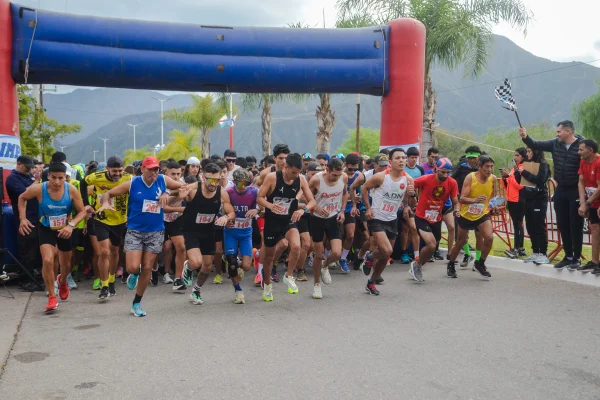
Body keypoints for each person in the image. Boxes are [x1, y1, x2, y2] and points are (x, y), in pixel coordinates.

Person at [97, 156, 189, 317]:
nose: (153, 172)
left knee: (147, 267)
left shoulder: (162, 180)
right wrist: (105, 203)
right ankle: (133, 273)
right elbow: (108, 193)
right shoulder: (133, 183)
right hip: (135, 231)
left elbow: (185, 187)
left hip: (155, 232)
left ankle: (136, 303)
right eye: (150, 169)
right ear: (142, 169)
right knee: (133, 267)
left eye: (156, 169)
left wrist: (167, 192)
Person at [18, 162, 87, 312]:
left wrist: (71, 225)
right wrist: (23, 219)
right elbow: (22, 198)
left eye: (60, 178)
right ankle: (51, 296)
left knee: (66, 265)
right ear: (48, 176)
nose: (56, 182)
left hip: (65, 230)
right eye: (53, 177)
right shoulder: (39, 189)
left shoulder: (72, 190)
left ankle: (62, 282)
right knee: (48, 260)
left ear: (66, 178)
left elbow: (82, 212)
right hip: (46, 228)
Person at [520, 122, 583, 270]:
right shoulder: (555, 144)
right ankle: (568, 256)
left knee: (575, 225)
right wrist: (525, 136)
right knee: (562, 224)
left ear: (568, 131)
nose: (557, 134)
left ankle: (577, 258)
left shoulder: (581, 144)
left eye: (559, 131)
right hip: (560, 190)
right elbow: (536, 143)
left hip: (575, 190)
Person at [257, 152, 316, 301]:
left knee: (296, 246)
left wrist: (302, 210)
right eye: (294, 172)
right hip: (272, 220)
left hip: (288, 219)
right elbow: (259, 197)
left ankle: (288, 275)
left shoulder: (301, 180)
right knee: (270, 257)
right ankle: (268, 285)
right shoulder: (272, 178)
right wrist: (270, 205)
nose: (296, 175)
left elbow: (312, 201)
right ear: (286, 167)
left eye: (299, 172)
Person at [181, 163, 235, 305]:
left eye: (216, 180)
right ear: (203, 177)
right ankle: (188, 266)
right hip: (191, 230)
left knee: (207, 267)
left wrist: (226, 217)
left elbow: (231, 212)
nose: (213, 184)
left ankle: (196, 290)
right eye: (210, 180)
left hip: (208, 231)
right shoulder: (193, 188)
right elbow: (176, 193)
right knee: (196, 262)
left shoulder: (221, 192)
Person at [361, 148, 414, 295]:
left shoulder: (408, 179)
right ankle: (370, 256)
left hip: (392, 218)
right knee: (387, 250)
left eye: (403, 157)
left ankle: (371, 281)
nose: (402, 160)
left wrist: (408, 200)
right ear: (390, 162)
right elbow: (364, 188)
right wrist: (368, 208)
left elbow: (410, 198)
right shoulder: (380, 177)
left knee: (385, 256)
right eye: (397, 158)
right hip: (376, 217)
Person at [80, 155, 130, 300]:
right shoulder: (96, 176)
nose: (118, 174)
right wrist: (86, 204)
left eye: (120, 171)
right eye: (114, 171)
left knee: (114, 251)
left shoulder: (128, 178)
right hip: (100, 218)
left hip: (120, 220)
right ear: (108, 169)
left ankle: (112, 280)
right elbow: (83, 184)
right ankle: (104, 285)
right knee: (104, 252)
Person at [446, 155, 497, 279]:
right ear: (479, 167)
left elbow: (494, 196)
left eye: (491, 166)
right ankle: (451, 264)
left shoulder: (493, 179)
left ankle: (480, 263)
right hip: (466, 214)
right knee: (461, 242)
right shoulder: (471, 177)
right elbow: (462, 198)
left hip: (482, 214)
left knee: (489, 238)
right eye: (486, 166)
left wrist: (493, 205)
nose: (489, 169)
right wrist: (475, 200)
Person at [411, 157, 460, 282]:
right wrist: (410, 201)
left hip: (436, 217)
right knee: (431, 244)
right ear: (436, 169)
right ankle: (417, 266)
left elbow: (456, 201)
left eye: (448, 172)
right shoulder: (426, 179)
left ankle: (417, 265)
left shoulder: (452, 183)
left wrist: (457, 209)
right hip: (421, 216)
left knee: (432, 247)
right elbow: (409, 184)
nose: (445, 175)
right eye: (443, 172)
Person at [308, 158, 347, 299]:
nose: (336, 178)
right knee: (318, 254)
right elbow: (306, 196)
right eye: (334, 175)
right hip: (317, 219)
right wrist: (316, 207)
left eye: (339, 174)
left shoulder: (344, 177)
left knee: (336, 253)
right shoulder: (316, 180)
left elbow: (345, 193)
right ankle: (317, 285)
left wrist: (342, 210)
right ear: (327, 170)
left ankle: (325, 266)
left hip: (332, 217)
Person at [223, 168, 259, 304]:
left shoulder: (254, 191)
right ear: (233, 182)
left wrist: (257, 209)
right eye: (239, 184)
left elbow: (264, 206)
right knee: (232, 265)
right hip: (231, 232)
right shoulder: (229, 192)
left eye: (245, 183)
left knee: (246, 266)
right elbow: (220, 209)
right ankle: (238, 291)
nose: (242, 186)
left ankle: (234, 260)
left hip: (246, 233)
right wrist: (225, 220)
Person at [6, 155, 41, 285]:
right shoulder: (12, 178)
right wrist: (36, 182)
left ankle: (36, 275)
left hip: (36, 216)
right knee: (27, 249)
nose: (28, 170)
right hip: (24, 219)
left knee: (36, 249)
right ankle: (27, 278)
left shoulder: (27, 177)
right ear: (19, 164)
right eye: (27, 168)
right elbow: (24, 194)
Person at [451, 146, 481, 267]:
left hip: (479, 203)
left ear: (478, 157)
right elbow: (452, 180)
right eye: (469, 158)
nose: (471, 160)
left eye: (474, 158)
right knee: (462, 232)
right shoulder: (461, 167)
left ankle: (478, 260)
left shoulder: (484, 167)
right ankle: (467, 254)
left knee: (479, 233)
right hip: (462, 201)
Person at [162, 161, 187, 290]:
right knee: (164, 247)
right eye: (173, 174)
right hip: (160, 220)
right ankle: (159, 272)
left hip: (176, 220)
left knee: (181, 247)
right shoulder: (160, 184)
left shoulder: (182, 184)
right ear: (166, 173)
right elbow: (164, 208)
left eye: (178, 174)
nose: (176, 177)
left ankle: (178, 279)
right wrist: (180, 205)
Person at [577, 140, 600, 272]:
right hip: (593, 200)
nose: (578, 152)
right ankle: (595, 261)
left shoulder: (598, 162)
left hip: (596, 199)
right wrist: (582, 203)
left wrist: (586, 204)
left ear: (590, 150)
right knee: (595, 229)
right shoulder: (583, 162)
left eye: (581, 149)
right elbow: (581, 183)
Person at [500, 148, 527, 259]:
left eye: (517, 155)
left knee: (518, 224)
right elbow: (509, 185)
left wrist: (509, 176)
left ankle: (517, 248)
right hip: (511, 199)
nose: (515, 157)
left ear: (523, 157)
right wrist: (504, 177)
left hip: (519, 200)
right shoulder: (514, 169)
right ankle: (518, 248)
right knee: (517, 224)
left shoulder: (524, 169)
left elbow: (521, 186)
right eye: (514, 155)